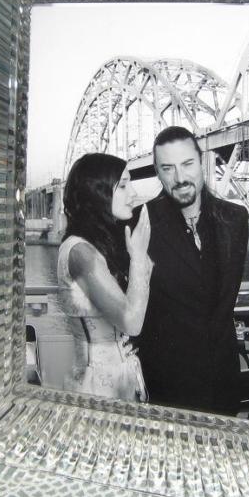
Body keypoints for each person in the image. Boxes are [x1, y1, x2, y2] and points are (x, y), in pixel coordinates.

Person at [135, 126, 249, 415]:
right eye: (168, 168)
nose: (180, 178)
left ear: (201, 162)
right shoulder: (140, 221)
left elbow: (224, 300)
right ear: (157, 172)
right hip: (167, 385)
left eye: (187, 164)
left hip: (222, 378)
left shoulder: (235, 219)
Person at [57, 153, 152, 401]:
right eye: (123, 185)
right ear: (97, 192)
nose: (134, 194)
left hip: (119, 379)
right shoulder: (81, 252)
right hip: (96, 387)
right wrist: (138, 258)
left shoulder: (95, 246)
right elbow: (132, 322)